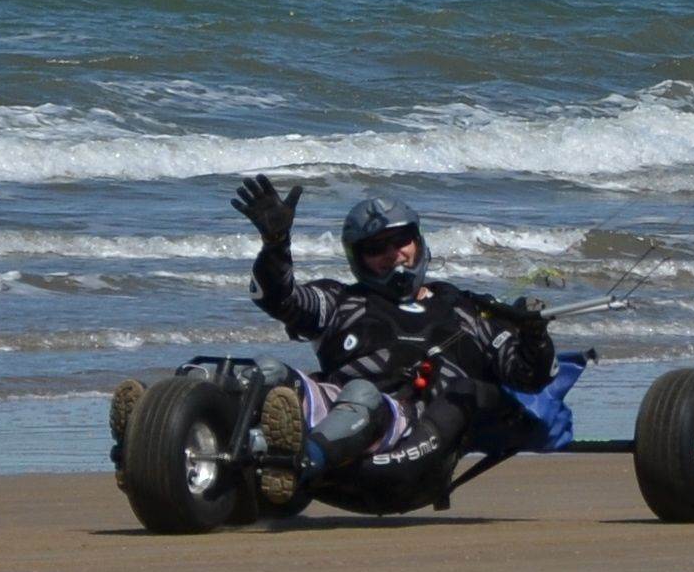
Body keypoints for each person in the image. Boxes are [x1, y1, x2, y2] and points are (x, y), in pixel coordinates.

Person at [232, 174, 557, 504]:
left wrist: (534, 336)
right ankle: (223, 457)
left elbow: (529, 376)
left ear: (418, 242)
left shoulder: (466, 310)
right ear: (358, 258)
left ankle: (295, 465)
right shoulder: (341, 302)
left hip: (410, 431)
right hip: (332, 410)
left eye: (401, 240)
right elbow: (279, 298)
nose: (393, 254)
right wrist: (275, 243)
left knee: (362, 393)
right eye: (376, 248)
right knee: (262, 372)